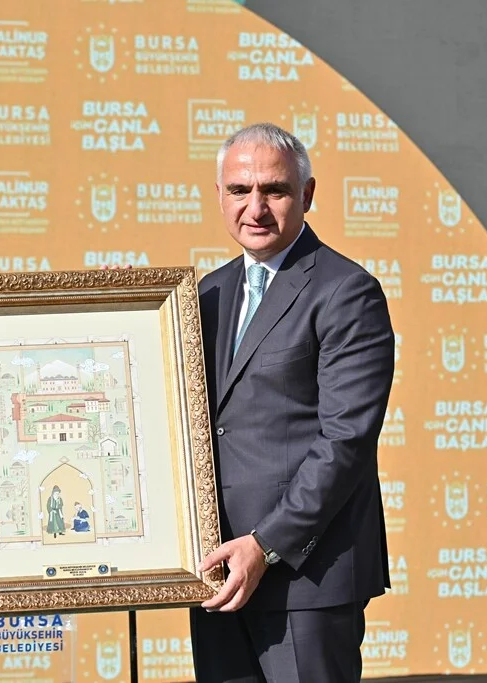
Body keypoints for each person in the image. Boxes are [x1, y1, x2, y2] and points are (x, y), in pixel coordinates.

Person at [191, 123, 395, 683]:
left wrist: (264, 545)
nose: (255, 208)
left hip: (306, 579)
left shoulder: (346, 291)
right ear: (220, 195)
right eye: (240, 190)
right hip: (216, 572)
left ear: (306, 194)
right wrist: (122, 313)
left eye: (274, 190)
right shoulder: (206, 294)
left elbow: (345, 441)